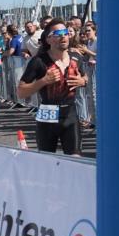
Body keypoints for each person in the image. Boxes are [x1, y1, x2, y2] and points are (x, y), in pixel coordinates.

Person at [17, 19, 88, 156]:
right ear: (48, 39)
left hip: (70, 115)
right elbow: (20, 92)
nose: (63, 36)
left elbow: (85, 77)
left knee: (75, 159)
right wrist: (43, 81)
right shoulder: (39, 61)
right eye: (58, 33)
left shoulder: (76, 57)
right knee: (46, 161)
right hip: (48, 115)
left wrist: (82, 81)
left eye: (65, 32)